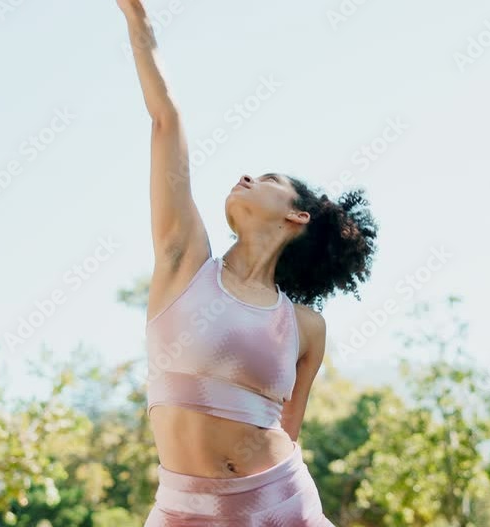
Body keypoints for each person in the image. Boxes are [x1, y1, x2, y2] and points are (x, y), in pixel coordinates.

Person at [116, 1, 378, 524]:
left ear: (297, 216)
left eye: (268, 178)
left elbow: (290, 428)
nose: (247, 176)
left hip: (280, 505)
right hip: (181, 512)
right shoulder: (184, 260)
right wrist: (136, 17)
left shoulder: (305, 327)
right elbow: (166, 118)